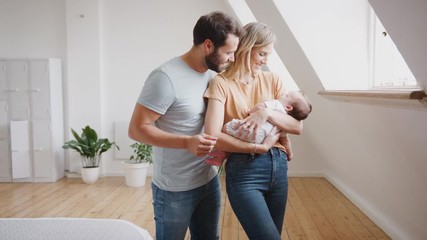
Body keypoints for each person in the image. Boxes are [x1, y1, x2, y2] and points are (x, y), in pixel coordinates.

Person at [128, 11, 244, 240]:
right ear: (208, 45)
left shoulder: (213, 76)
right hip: (174, 190)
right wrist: (186, 142)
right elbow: (136, 129)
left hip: (208, 181)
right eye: (229, 52)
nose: (232, 58)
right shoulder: (165, 77)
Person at [203, 22, 303, 239]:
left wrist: (267, 114)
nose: (266, 61)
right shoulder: (221, 84)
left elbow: (297, 126)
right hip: (245, 171)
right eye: (262, 54)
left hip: (279, 167)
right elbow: (212, 135)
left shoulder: (272, 79)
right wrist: (256, 148)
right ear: (247, 47)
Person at [204, 90, 312, 166]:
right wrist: (290, 154)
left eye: (286, 95)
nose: (283, 94)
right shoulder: (283, 122)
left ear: (288, 107)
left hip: (250, 131)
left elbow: (260, 107)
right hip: (262, 140)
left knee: (226, 128)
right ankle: (221, 155)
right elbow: (285, 140)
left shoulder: (276, 105)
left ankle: (221, 155)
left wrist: (251, 111)